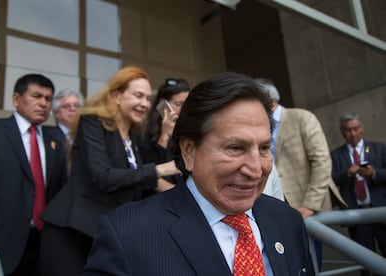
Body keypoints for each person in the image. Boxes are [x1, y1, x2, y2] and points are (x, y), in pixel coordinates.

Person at [83, 72, 315, 276]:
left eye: (264, 148)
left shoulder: (288, 221)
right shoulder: (128, 234)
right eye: (236, 148)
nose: (256, 170)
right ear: (189, 151)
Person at [39, 66, 180, 275]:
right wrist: (161, 169)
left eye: (148, 99)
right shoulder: (92, 123)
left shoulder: (132, 138)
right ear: (116, 95)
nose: (144, 104)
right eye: (138, 96)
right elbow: (102, 176)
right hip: (71, 232)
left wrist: (184, 194)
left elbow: (139, 179)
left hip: (104, 235)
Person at [0, 74, 68, 275]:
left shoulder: (56, 142)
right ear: (16, 99)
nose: (43, 103)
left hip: (40, 246)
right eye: (36, 96)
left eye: (48, 99)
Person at [256, 78, 345, 270]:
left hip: (306, 207)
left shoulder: (302, 117)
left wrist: (309, 205)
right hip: (275, 202)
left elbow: (322, 161)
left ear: (269, 100)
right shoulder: (257, 126)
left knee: (309, 259)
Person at [331, 112, 386, 275]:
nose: (353, 133)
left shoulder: (379, 148)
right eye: (348, 130)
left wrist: (374, 174)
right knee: (365, 264)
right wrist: (348, 173)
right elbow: (330, 180)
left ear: (362, 129)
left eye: (356, 128)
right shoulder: (335, 155)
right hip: (355, 215)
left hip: (380, 212)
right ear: (342, 131)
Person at [140, 78, 190, 196]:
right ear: (163, 106)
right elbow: (147, 171)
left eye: (187, 104)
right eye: (178, 104)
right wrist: (165, 134)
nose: (183, 110)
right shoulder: (145, 131)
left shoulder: (189, 130)